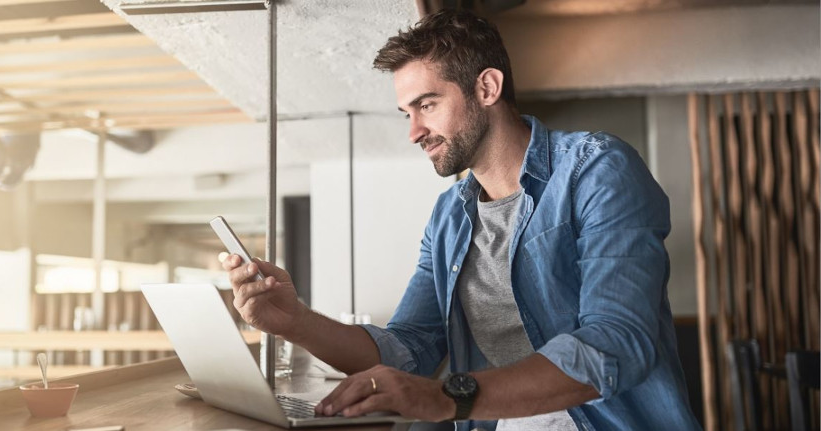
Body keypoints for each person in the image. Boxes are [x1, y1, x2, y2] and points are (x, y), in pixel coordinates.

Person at [223, 9, 701, 431]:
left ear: (487, 87)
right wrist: (294, 321)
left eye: (427, 105)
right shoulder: (450, 216)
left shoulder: (597, 169)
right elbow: (410, 348)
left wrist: (445, 397)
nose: (413, 132)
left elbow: (617, 341)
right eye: (406, 113)